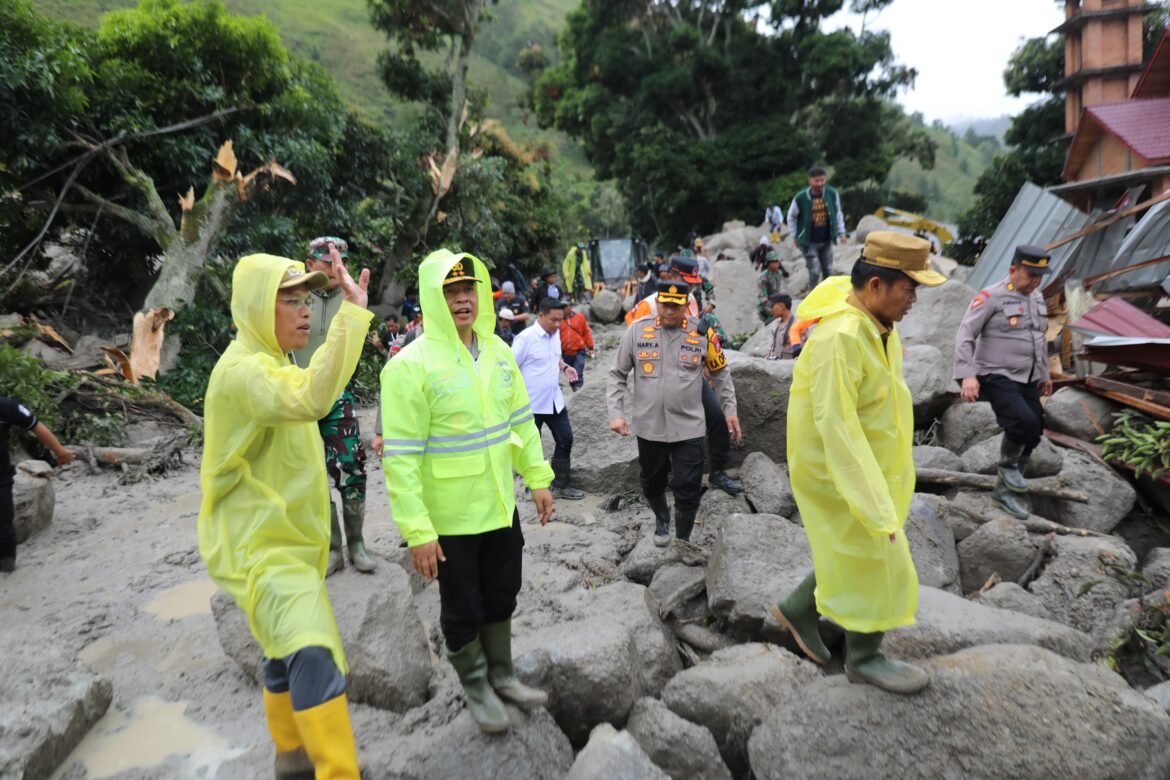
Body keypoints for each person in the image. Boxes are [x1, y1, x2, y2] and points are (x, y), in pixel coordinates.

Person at [199, 248, 372, 776]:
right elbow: (313, 399)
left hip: (290, 543)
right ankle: (336, 770)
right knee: (313, 649)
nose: (305, 311)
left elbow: (315, 390)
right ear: (256, 308)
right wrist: (351, 315)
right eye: (290, 301)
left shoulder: (277, 361)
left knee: (282, 650)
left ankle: (290, 757)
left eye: (308, 300)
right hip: (261, 548)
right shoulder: (246, 374)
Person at [379, 249, 555, 733]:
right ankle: (476, 685)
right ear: (434, 300)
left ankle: (502, 673)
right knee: (462, 608)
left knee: (503, 593)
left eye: (468, 289)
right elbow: (402, 458)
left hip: (500, 506)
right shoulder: (409, 366)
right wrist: (417, 531)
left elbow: (520, 420)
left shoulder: (499, 351)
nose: (462, 300)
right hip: (450, 518)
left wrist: (537, 478)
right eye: (451, 292)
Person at [769, 232, 945, 695]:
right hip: (837, 467)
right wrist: (871, 498)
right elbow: (836, 424)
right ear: (874, 286)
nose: (913, 298)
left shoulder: (877, 326)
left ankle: (798, 608)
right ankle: (864, 656)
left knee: (849, 548)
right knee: (880, 554)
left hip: (869, 460)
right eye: (909, 287)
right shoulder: (841, 337)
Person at [608, 281, 741, 548]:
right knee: (652, 482)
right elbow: (617, 374)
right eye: (664, 305)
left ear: (685, 306)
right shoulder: (637, 331)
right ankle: (661, 518)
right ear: (657, 304)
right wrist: (616, 413)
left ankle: (683, 539)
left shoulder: (702, 333)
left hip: (689, 426)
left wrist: (730, 410)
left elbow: (721, 373)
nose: (669, 311)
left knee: (688, 486)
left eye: (675, 306)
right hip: (649, 426)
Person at [292, 237, 376, 576]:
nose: (334, 267)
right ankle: (331, 547)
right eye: (326, 261)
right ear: (309, 263)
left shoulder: (350, 294)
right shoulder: (295, 297)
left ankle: (356, 543)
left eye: (339, 260)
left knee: (350, 465)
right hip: (296, 393)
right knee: (309, 474)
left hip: (337, 395)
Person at [953, 244, 1053, 519]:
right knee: (1022, 421)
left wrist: (1044, 374)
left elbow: (1038, 338)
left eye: (1039, 276)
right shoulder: (991, 296)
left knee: (1035, 431)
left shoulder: (1037, 298)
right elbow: (965, 335)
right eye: (1030, 274)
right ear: (1013, 270)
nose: (1035, 281)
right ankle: (1009, 470)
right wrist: (968, 376)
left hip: (1025, 376)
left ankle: (1003, 493)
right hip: (994, 373)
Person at [513, 299, 586, 500]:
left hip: (554, 399)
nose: (557, 324)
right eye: (553, 320)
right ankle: (528, 486)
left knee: (566, 439)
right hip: (530, 404)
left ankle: (560, 485)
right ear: (541, 315)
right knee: (529, 447)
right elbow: (510, 368)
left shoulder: (555, 334)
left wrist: (564, 367)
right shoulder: (525, 338)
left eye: (560, 321)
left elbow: (555, 357)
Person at [0, 399, 74, 573]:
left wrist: (60, 452)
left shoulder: (4, 406)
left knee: (3, 521)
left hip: (0, 477)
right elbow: (35, 425)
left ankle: (6, 563)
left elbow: (34, 424)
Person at [787, 165, 847, 288]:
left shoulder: (831, 193)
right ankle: (811, 296)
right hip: (809, 242)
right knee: (814, 271)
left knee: (829, 270)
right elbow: (791, 217)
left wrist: (841, 233)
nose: (820, 183)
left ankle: (828, 296)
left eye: (822, 180)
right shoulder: (801, 197)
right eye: (816, 180)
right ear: (810, 180)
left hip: (826, 240)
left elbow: (838, 213)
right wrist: (795, 236)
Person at [559, 300, 595, 391]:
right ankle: (574, 387)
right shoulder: (558, 320)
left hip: (579, 350)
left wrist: (590, 347)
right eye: (561, 307)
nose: (563, 309)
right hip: (565, 352)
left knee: (578, 370)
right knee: (570, 371)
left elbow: (586, 332)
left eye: (565, 306)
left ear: (570, 307)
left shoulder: (580, 317)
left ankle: (579, 388)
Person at [757, 251, 788, 322]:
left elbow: (782, 289)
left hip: (777, 302)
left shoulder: (779, 273)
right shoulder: (763, 277)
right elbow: (763, 297)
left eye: (777, 261)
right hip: (765, 308)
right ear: (768, 263)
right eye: (773, 262)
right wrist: (772, 310)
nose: (776, 263)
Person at [766, 293, 796, 360]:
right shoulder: (777, 324)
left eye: (772, 306)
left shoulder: (797, 326)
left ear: (782, 306)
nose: (771, 310)